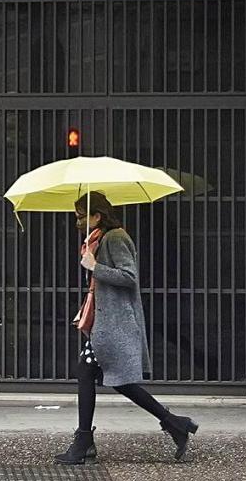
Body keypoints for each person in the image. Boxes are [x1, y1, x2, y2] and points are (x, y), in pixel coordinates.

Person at [54, 191, 199, 464]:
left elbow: (129, 277)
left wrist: (95, 267)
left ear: (97, 215)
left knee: (95, 373)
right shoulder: (98, 238)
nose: (77, 222)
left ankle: (84, 441)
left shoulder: (116, 237)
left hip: (115, 322)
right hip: (105, 321)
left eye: (81, 216)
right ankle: (173, 423)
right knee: (108, 378)